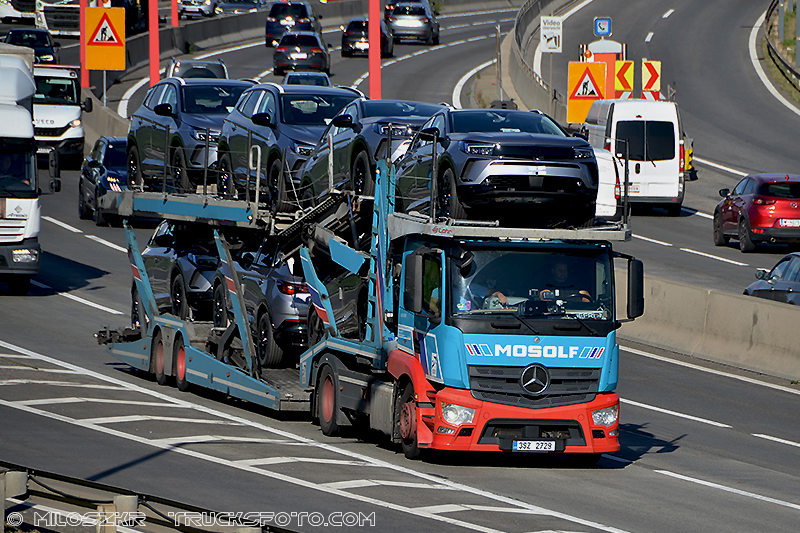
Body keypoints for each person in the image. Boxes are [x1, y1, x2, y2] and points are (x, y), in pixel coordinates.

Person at [489, 260, 591, 306]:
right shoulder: (543, 283)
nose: (563, 273)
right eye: (560, 270)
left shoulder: (575, 284)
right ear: (553, 271)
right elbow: (542, 297)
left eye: (565, 271)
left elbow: (586, 299)